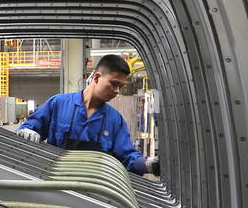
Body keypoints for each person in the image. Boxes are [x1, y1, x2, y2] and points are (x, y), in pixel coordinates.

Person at [16, 54, 160, 176]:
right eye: (114, 84)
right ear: (96, 78)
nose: (117, 91)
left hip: (94, 189)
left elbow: (127, 157)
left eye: (120, 87)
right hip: (54, 181)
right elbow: (31, 127)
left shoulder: (115, 120)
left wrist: (148, 165)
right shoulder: (58, 103)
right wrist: (28, 131)